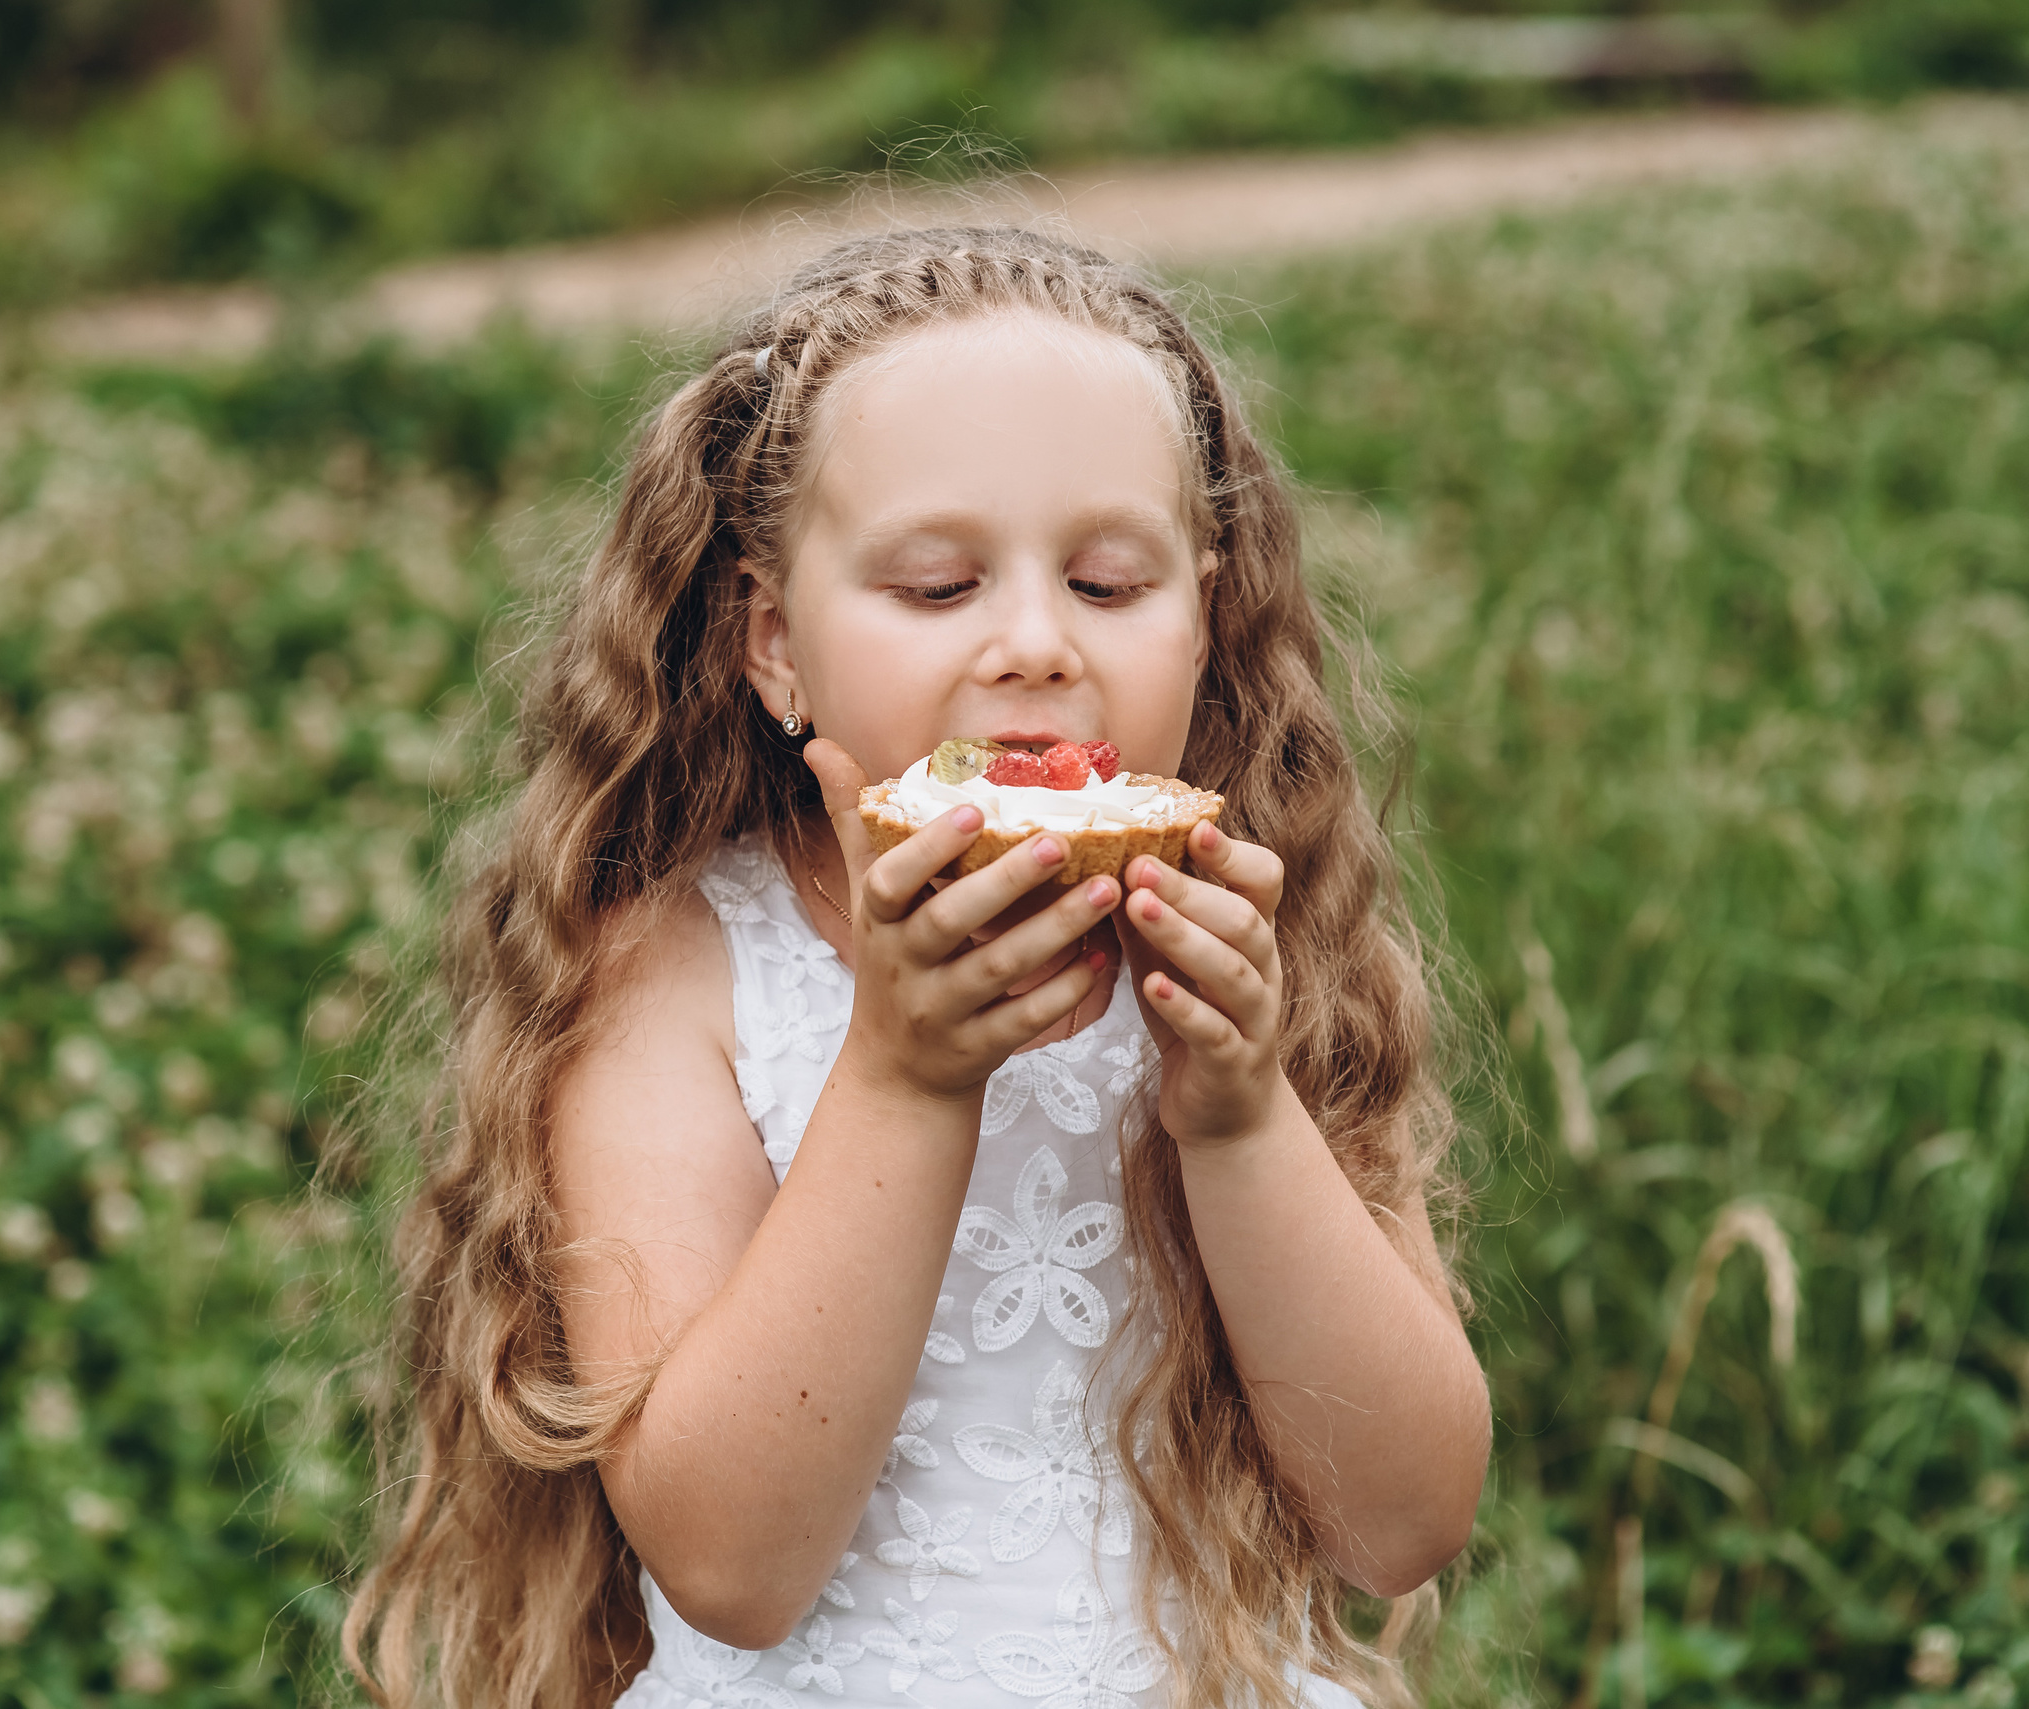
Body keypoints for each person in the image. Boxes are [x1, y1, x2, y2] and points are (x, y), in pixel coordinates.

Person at [340, 225, 1489, 1709]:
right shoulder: (681, 971)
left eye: (1111, 580)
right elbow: (734, 1568)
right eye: (940, 587)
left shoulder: (1248, 958)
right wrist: (903, 1069)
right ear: (777, 648)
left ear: (1207, 615)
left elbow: (1399, 1526)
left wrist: (1240, 1115)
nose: (1032, 643)